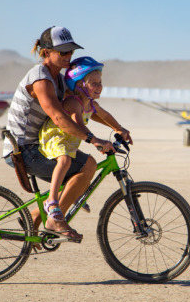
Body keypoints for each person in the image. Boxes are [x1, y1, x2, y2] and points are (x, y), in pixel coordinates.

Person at [3, 26, 131, 240]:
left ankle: (37, 215)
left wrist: (117, 128)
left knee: (86, 168)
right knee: (86, 165)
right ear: (46, 52)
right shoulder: (40, 78)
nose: (68, 56)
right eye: (63, 52)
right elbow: (59, 118)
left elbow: (86, 106)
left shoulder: (60, 80)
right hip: (24, 149)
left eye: (71, 51)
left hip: (40, 146)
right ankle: (53, 217)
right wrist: (93, 139)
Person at [39, 56, 132, 221]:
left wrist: (119, 128)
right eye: (94, 83)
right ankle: (52, 201)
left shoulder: (91, 104)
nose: (99, 87)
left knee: (89, 167)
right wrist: (97, 141)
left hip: (69, 141)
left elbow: (105, 115)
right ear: (80, 84)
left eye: (100, 82)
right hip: (55, 137)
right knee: (65, 161)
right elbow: (79, 125)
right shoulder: (73, 102)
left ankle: (74, 195)